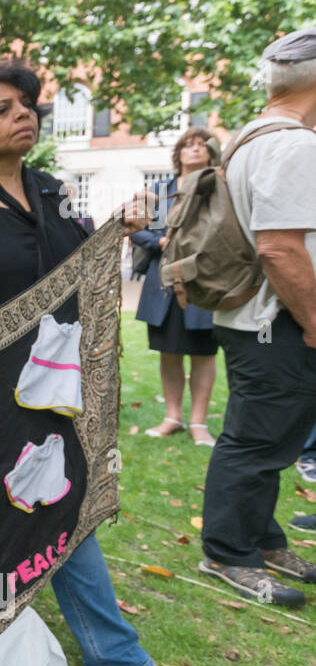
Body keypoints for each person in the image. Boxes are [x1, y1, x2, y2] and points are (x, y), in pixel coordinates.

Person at [0, 61, 218, 666]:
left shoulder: (50, 191)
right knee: (39, 511)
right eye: (1, 108)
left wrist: (119, 230)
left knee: (51, 508)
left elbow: (82, 267)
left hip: (48, 388)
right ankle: (112, 657)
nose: (23, 114)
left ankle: (71, 645)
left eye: (26, 105)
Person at [198, 27, 316, 607]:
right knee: (253, 441)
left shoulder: (250, 135)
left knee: (273, 441)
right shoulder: (294, 145)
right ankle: (226, 552)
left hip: (256, 317)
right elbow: (279, 248)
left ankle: (263, 539)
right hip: (276, 321)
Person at [131, 128, 221, 446]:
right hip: (163, 282)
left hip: (203, 280)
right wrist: (160, 240)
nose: (194, 150)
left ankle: (199, 423)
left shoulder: (219, 189)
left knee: (203, 352)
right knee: (168, 350)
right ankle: (173, 417)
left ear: (212, 153)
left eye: (201, 145)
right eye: (188, 145)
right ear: (178, 153)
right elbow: (135, 229)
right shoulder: (159, 190)